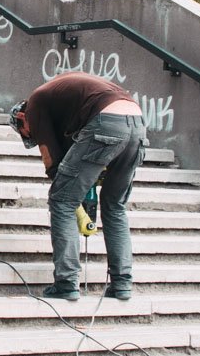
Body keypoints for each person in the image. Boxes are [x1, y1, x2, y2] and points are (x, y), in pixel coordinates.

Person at [9, 72, 147, 302]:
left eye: (25, 132)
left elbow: (52, 162)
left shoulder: (34, 106)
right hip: (136, 125)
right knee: (115, 206)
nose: (30, 135)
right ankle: (122, 283)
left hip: (105, 121)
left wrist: (74, 202)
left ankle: (66, 282)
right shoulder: (61, 99)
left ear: (22, 117)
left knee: (61, 200)